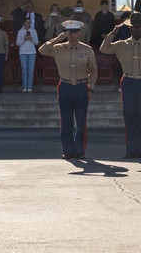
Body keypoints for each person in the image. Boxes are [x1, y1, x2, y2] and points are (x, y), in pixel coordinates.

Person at [101, 13, 141, 159]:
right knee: (129, 116)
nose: (136, 30)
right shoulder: (121, 44)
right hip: (127, 81)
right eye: (133, 27)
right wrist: (112, 33)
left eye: (139, 27)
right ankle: (131, 150)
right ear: (130, 28)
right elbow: (104, 49)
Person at [39, 20, 97, 159]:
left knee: (81, 120)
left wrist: (91, 88)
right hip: (65, 86)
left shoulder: (87, 49)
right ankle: (67, 150)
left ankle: (79, 151)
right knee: (66, 121)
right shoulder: (58, 48)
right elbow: (42, 50)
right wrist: (58, 38)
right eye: (69, 32)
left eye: (75, 32)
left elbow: (93, 70)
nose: (72, 35)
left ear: (79, 33)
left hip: (81, 86)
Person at [16, 16, 39, 92]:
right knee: (24, 70)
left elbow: (37, 42)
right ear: (24, 23)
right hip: (23, 52)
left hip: (32, 52)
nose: (28, 23)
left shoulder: (33, 31)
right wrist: (24, 39)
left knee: (30, 70)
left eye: (29, 22)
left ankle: (29, 87)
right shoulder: (20, 31)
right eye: (27, 22)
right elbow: (18, 43)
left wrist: (31, 38)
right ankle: (24, 86)